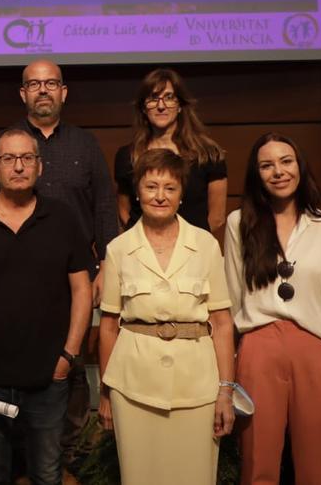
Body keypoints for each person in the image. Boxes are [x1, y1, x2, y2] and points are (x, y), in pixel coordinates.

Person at [0, 58, 119, 465]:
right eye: (34, 84)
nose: (42, 90)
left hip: (74, 281)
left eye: (50, 83)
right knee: (14, 368)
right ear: (22, 94)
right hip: (11, 284)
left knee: (70, 371)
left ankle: (67, 459)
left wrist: (106, 266)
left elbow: (105, 209)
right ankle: (22, 460)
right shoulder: (4, 147)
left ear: (63, 92)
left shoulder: (85, 145)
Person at [0, 128, 92, 485]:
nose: (19, 167)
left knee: (47, 473)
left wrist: (68, 357)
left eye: (27, 158)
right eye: (9, 158)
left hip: (48, 378)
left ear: (39, 166)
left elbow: (83, 290)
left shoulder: (62, 218)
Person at [223, 133, 321, 484]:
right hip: (259, 349)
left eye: (286, 161)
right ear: (257, 175)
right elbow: (234, 298)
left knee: (318, 467)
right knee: (258, 466)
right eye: (266, 165)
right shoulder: (240, 223)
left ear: (300, 167)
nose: (278, 172)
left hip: (315, 351)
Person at [97, 149, 235, 483]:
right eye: (151, 186)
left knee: (194, 475)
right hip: (133, 388)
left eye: (170, 188)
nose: (160, 196)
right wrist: (105, 392)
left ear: (182, 194)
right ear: (137, 191)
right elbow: (108, 327)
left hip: (197, 385)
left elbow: (221, 322)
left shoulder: (205, 245)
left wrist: (225, 392)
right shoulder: (118, 248)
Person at [114, 69, 227, 239]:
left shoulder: (209, 154)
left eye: (169, 97)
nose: (161, 106)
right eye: (153, 98)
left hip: (193, 251)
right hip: (142, 251)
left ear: (180, 105)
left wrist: (188, 245)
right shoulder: (127, 156)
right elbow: (124, 210)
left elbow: (217, 216)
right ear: (144, 107)